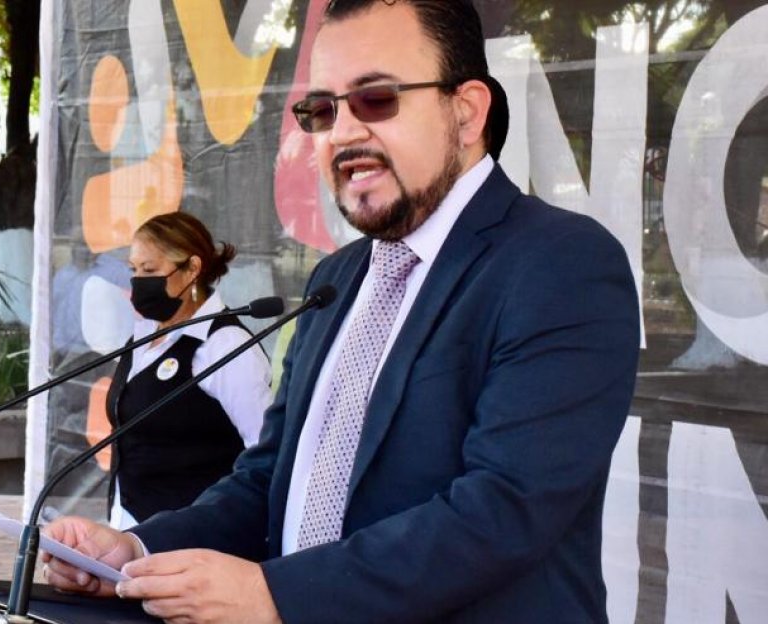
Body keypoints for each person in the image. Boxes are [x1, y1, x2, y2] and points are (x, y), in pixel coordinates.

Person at [42, 1, 641, 622]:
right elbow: (266, 481)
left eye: (376, 98)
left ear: (466, 112)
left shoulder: (560, 264)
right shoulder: (339, 277)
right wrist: (135, 552)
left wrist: (276, 596)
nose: (343, 133)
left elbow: (504, 508)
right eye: (322, 110)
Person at [106, 212, 271, 529]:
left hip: (194, 539)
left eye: (150, 270)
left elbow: (265, 452)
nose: (139, 280)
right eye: (134, 270)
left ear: (193, 269)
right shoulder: (142, 337)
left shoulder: (224, 346)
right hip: (128, 528)